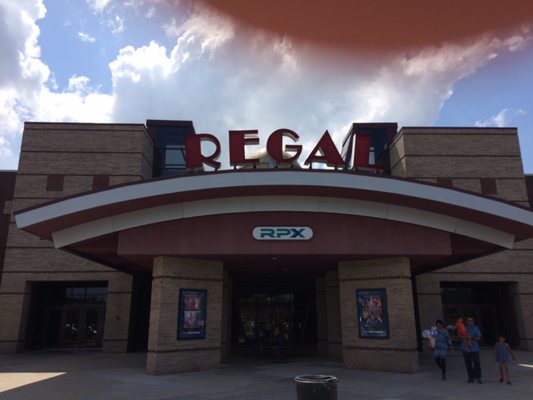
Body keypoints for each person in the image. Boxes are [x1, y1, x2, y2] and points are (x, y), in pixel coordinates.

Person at [461, 316, 483, 383]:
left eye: (471, 320)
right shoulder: (463, 328)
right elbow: (459, 336)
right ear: (466, 321)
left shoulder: (476, 328)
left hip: (474, 348)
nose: (470, 322)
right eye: (469, 320)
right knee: (468, 363)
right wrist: (464, 336)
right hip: (465, 348)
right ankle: (471, 377)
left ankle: (478, 377)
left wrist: (472, 337)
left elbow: (479, 338)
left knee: (476, 363)